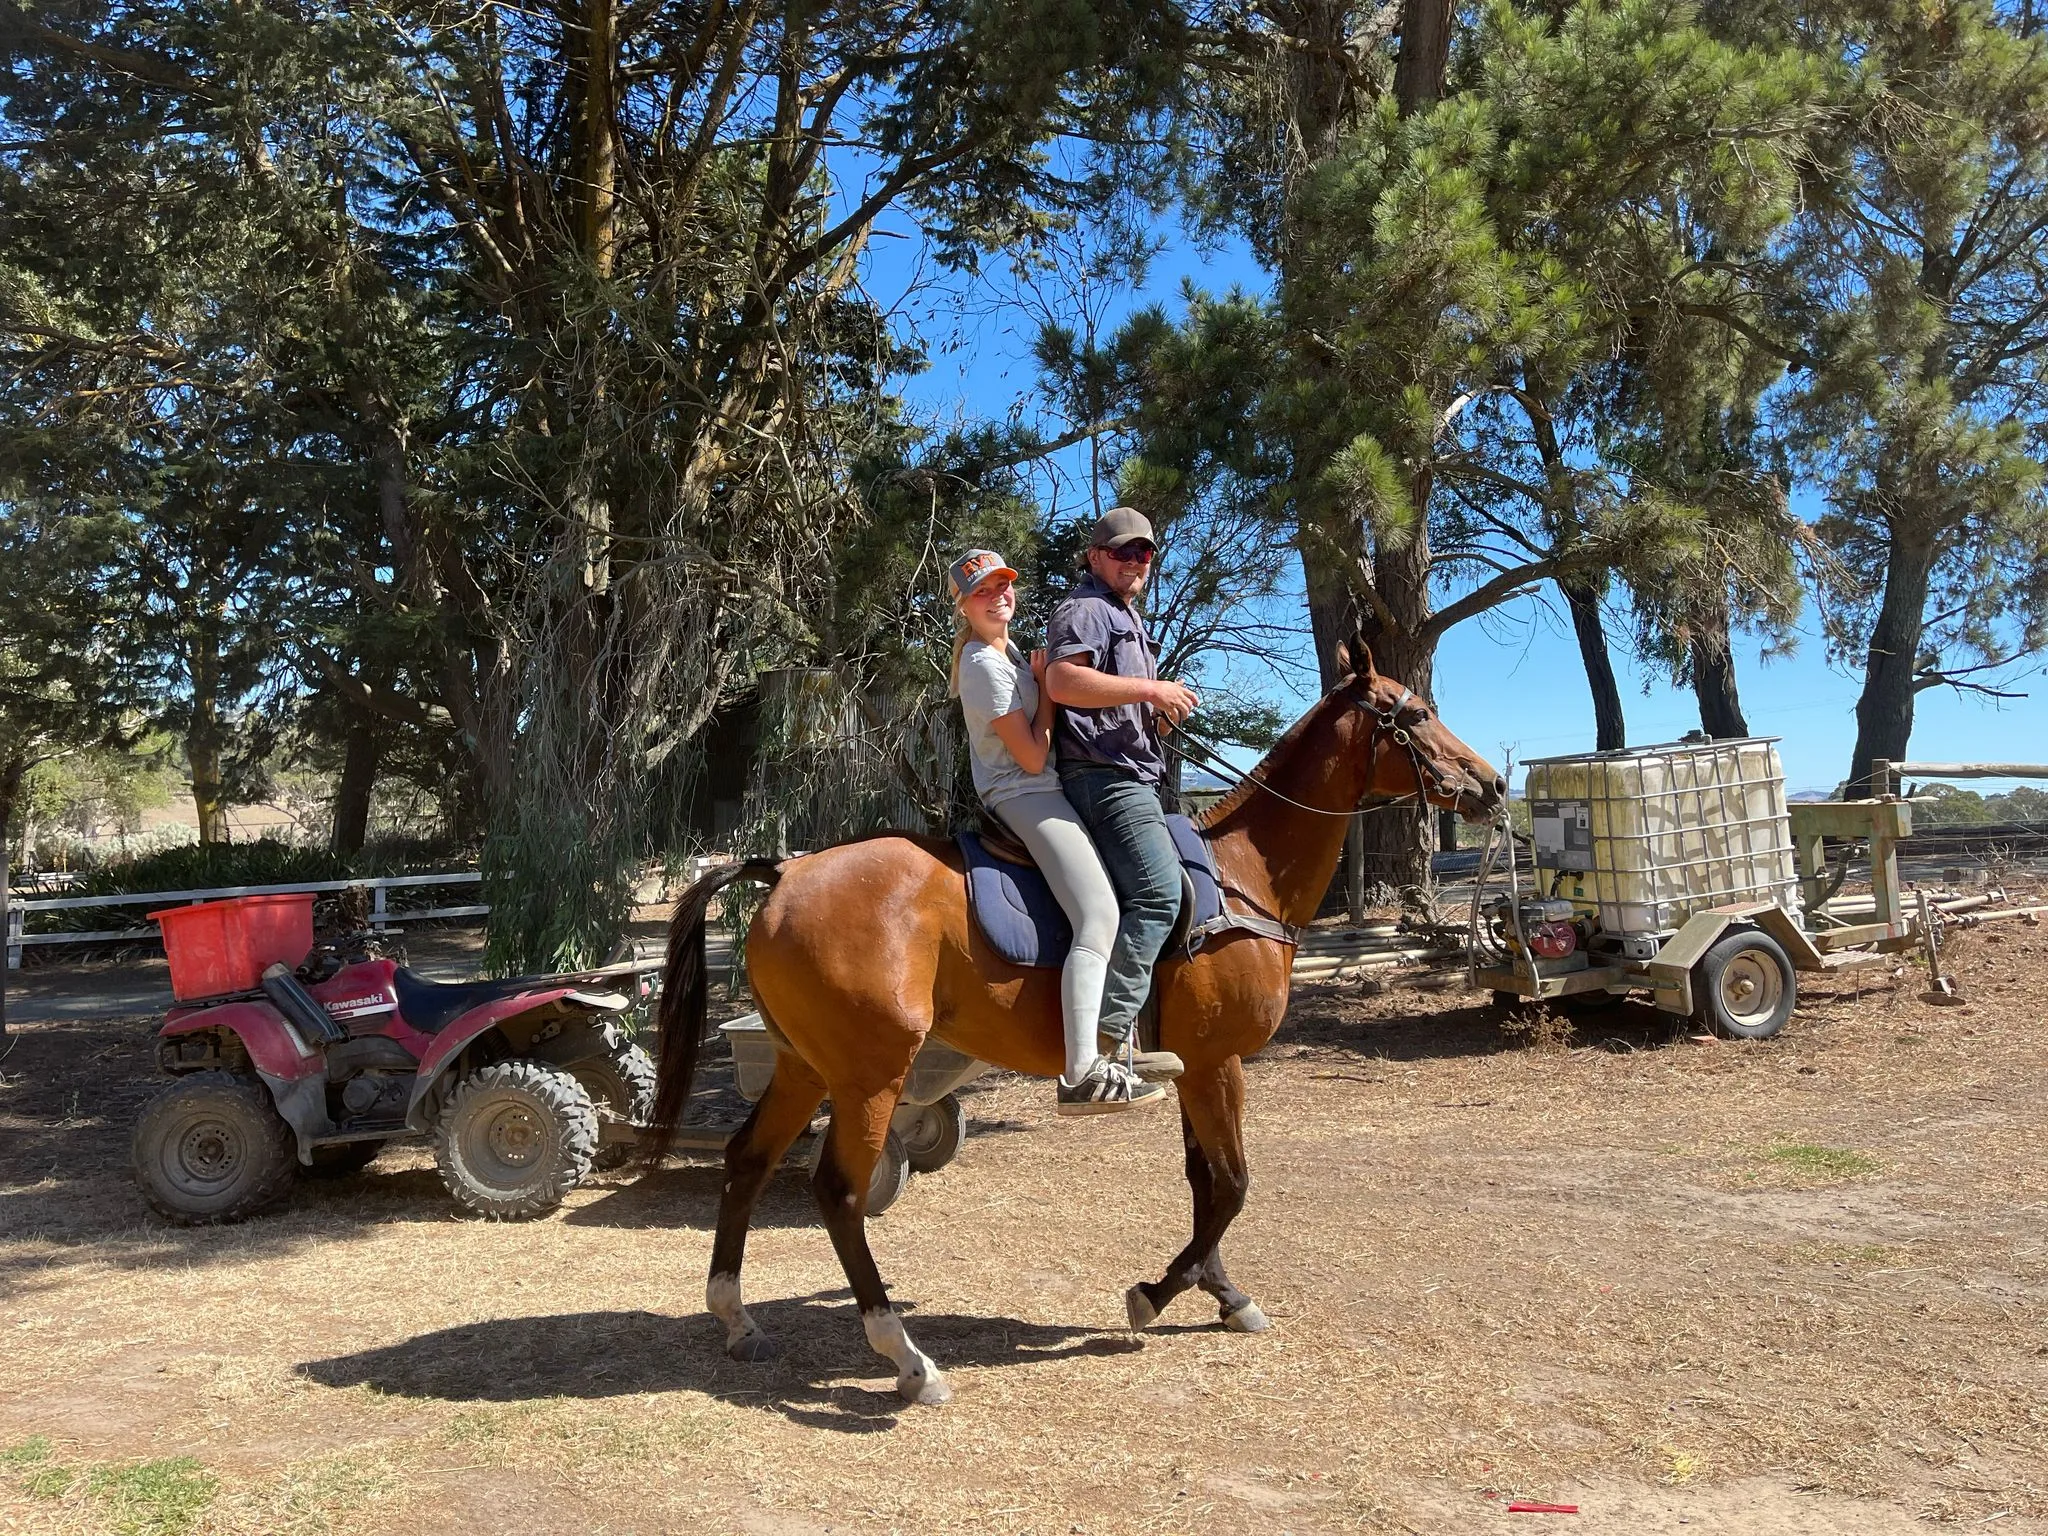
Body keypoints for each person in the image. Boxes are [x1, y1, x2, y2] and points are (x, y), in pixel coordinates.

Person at [949, 548, 1167, 1115]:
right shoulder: (981, 665)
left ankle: (1123, 1045)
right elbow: (1027, 755)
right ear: (963, 605)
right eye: (983, 591)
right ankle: (1080, 1071)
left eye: (1004, 585)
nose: (999, 596)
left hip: (1048, 788)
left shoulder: (1013, 654)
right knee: (1099, 914)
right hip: (1024, 794)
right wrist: (1048, 690)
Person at [1042, 508, 1195, 1083]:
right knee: (1158, 896)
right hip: (1104, 779)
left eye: (1144, 552)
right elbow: (1062, 682)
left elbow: (1114, 705)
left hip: (1133, 772)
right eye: (1122, 551)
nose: (1134, 561)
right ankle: (1103, 1048)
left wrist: (1155, 717)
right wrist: (1152, 688)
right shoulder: (1085, 610)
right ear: (1095, 556)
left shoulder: (1125, 619)